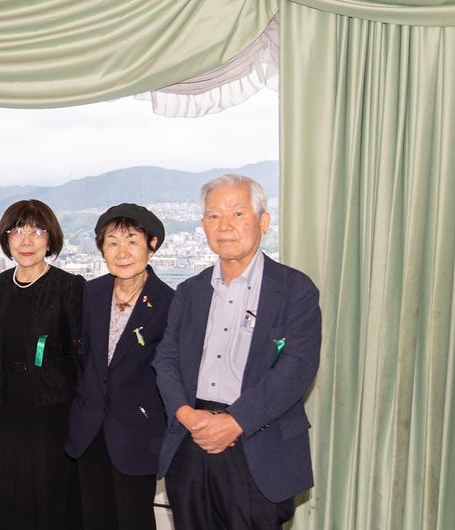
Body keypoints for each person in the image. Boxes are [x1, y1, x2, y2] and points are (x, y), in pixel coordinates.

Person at [154, 174, 321, 530]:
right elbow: (165, 359)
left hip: (256, 444)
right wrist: (185, 414)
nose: (224, 225)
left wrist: (235, 421)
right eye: (213, 216)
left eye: (237, 214)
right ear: (202, 226)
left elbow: (296, 368)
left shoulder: (295, 289)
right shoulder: (189, 291)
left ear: (263, 221)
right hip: (191, 440)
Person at [0, 199, 85, 530]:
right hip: (9, 402)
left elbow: (80, 353)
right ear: (6, 238)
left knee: (51, 488)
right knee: (14, 486)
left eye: (37, 231)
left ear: (50, 239)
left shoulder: (68, 286)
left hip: (54, 406)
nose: (26, 241)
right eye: (17, 231)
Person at [65, 203, 174, 530]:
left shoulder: (169, 302)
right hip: (90, 427)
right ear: (102, 250)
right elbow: (81, 357)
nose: (122, 251)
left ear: (151, 246)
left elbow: (172, 372)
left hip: (139, 432)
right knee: (94, 517)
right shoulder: (91, 293)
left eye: (132, 241)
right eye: (112, 242)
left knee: (134, 519)